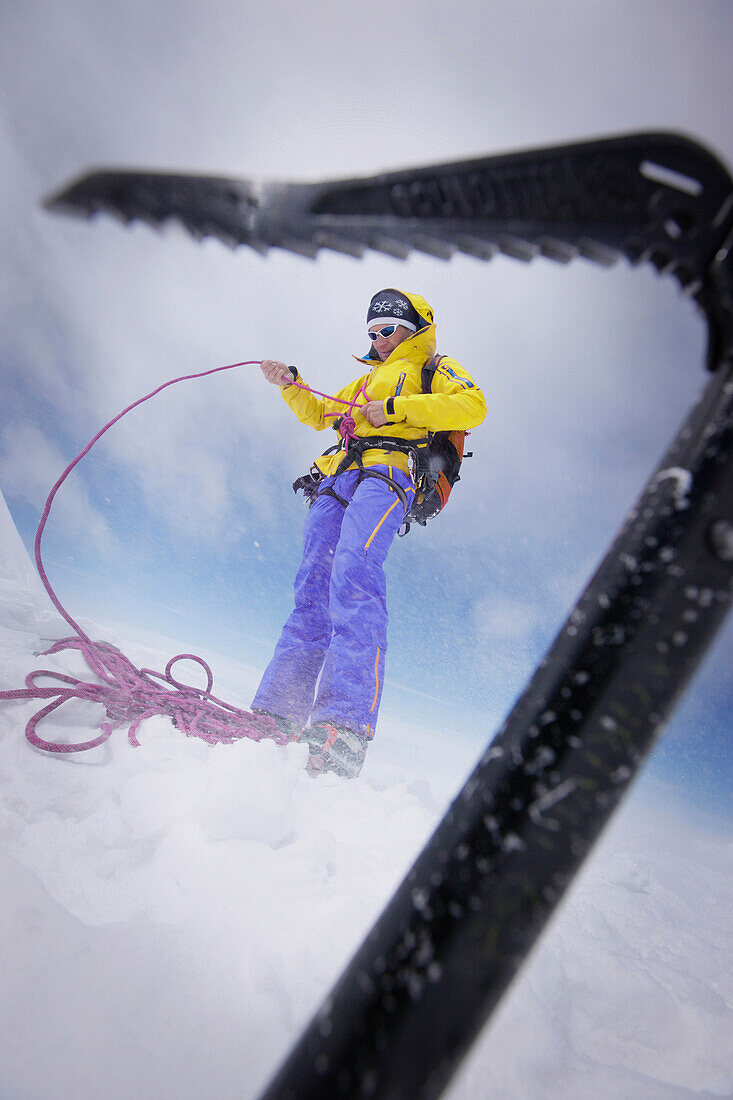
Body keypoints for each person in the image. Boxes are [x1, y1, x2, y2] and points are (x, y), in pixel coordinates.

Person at [251, 289, 486, 778]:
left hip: (388, 473)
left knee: (353, 576)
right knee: (313, 584)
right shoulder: (365, 381)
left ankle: (345, 725)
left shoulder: (434, 369)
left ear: (414, 329)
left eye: (388, 330)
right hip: (339, 475)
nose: (379, 339)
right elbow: (321, 414)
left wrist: (400, 409)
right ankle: (280, 711)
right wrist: (291, 384)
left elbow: (473, 405)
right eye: (373, 332)